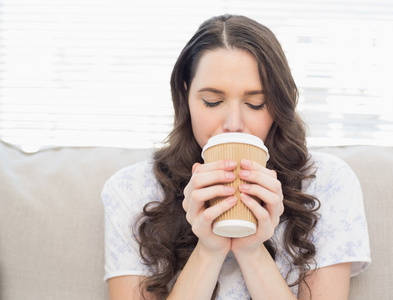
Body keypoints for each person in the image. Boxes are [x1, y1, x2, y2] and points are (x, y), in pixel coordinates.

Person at [102, 14, 371, 300]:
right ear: (186, 96)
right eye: (212, 102)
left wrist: (251, 250)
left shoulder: (328, 182)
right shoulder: (131, 190)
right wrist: (208, 250)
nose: (233, 123)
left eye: (256, 103)